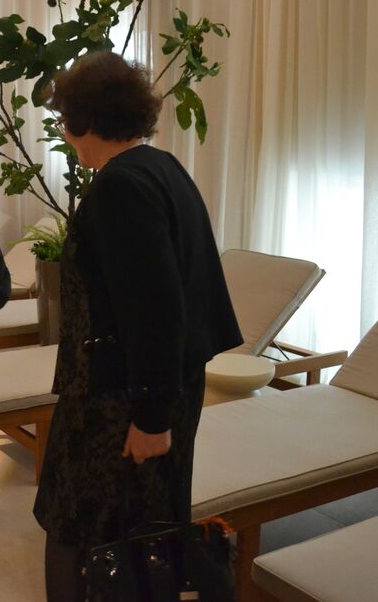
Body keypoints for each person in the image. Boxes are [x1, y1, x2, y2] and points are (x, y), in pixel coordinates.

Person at [32, 52, 243, 600]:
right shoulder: (161, 166)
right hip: (159, 384)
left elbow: (157, 308)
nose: (64, 132)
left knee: (89, 526)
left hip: (121, 397)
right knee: (147, 518)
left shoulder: (119, 188)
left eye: (65, 119)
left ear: (84, 120)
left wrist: (151, 417)